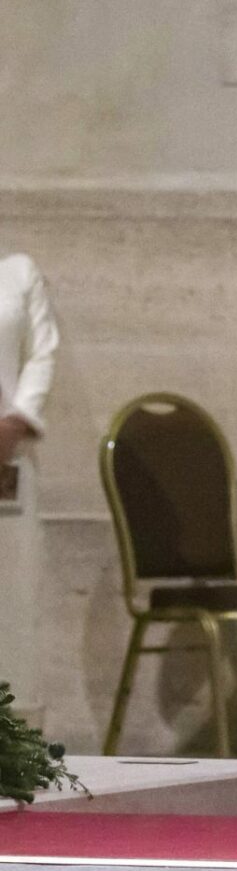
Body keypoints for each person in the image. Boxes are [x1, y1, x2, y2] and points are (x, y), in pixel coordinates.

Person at [0, 252, 60, 726]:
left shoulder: (18, 272)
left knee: (12, 604)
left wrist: (16, 420)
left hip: (8, 456)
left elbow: (42, 352)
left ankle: (14, 742)